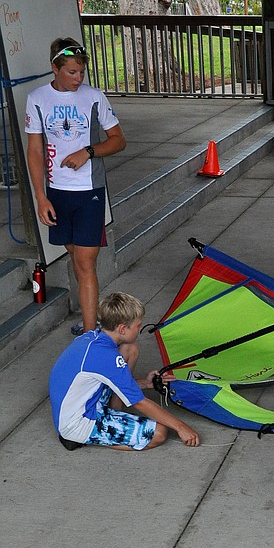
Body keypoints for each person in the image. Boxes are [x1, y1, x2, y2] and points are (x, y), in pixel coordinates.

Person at [26, 37, 127, 334]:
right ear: (54, 69)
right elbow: (35, 150)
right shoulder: (37, 98)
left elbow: (119, 140)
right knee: (74, 254)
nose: (78, 78)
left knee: (84, 262)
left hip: (89, 192)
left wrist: (88, 152)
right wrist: (40, 197)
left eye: (81, 72)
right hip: (57, 192)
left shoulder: (94, 97)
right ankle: (90, 320)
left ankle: (89, 332)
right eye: (71, 72)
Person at [48, 291, 200, 451]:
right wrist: (181, 427)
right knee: (158, 433)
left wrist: (145, 383)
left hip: (79, 404)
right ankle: (83, 436)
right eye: (138, 325)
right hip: (77, 423)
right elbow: (139, 402)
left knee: (130, 349)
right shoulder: (108, 358)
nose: (140, 328)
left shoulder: (94, 338)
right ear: (122, 329)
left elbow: (111, 375)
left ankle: (114, 413)